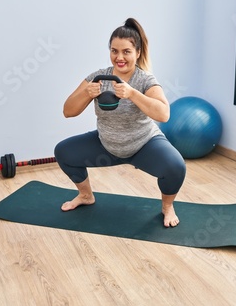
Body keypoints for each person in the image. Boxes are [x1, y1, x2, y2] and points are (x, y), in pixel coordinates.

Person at [54, 18, 186, 227]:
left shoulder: (144, 80)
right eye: (114, 51)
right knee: (63, 151)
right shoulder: (98, 77)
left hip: (144, 145)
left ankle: (167, 207)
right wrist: (87, 94)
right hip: (106, 146)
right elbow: (67, 111)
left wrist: (132, 93)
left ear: (138, 53)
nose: (119, 57)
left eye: (126, 51)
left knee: (176, 167)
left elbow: (164, 114)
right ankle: (86, 196)